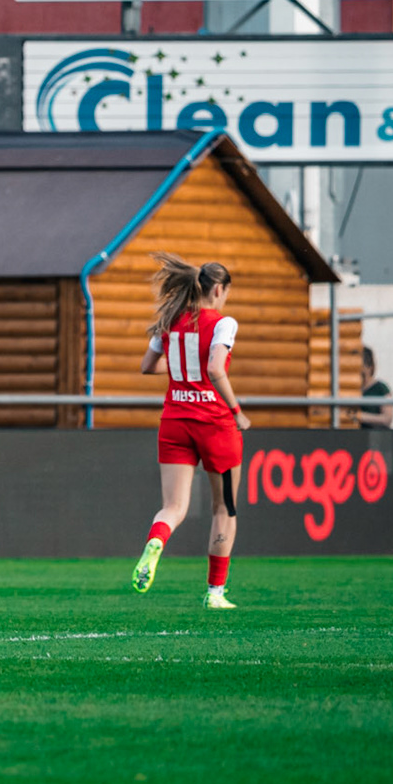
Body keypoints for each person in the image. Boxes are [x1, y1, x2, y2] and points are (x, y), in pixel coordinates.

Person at [131, 253, 250, 609]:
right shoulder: (224, 323)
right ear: (218, 290)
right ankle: (215, 592)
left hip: (175, 422)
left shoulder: (170, 320)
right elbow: (215, 368)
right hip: (215, 424)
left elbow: (147, 366)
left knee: (173, 507)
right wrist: (237, 410)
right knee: (224, 508)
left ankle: (156, 541)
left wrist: (182, 365)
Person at [357, 346, 393, 428]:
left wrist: (361, 417)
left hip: (374, 433)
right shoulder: (351, 389)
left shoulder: (381, 388)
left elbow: (387, 419)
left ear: (370, 367)